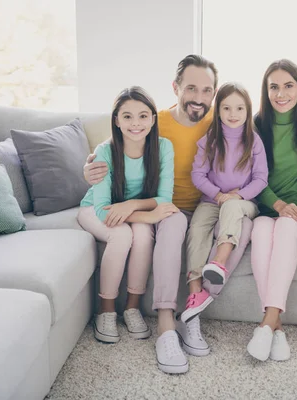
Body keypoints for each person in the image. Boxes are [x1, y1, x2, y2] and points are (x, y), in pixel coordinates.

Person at [83, 55, 253, 366]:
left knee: (241, 226)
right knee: (173, 225)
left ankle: (194, 311)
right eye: (191, 88)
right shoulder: (155, 120)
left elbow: (252, 145)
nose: (198, 98)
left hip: (208, 207)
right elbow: (116, 143)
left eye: (206, 90)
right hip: (167, 208)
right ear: (175, 87)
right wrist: (90, 164)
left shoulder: (222, 121)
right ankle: (165, 327)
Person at [77, 86, 188, 373]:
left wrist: (131, 207)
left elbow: (164, 197)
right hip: (95, 210)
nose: (135, 123)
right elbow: (103, 210)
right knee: (124, 233)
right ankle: (107, 311)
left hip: (125, 210)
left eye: (142, 116)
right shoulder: (105, 151)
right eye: (127, 116)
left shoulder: (163, 147)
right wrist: (147, 216)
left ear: (153, 118)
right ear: (116, 120)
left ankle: (132, 307)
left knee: (140, 234)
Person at [246, 59, 297, 362]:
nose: (281, 93)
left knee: (287, 226)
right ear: (265, 91)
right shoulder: (255, 124)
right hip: (268, 209)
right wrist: (276, 204)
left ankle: (266, 323)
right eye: (274, 87)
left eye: (288, 86)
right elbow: (250, 175)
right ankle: (276, 330)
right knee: (262, 230)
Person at [181, 82, 268, 323]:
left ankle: (219, 263)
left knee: (231, 207)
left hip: (244, 202)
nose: (233, 114)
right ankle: (195, 291)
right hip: (212, 200)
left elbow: (261, 179)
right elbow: (198, 175)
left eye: (240, 109)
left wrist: (237, 196)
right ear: (217, 110)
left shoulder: (254, 142)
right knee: (197, 227)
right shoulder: (209, 140)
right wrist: (218, 195)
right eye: (227, 108)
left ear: (248, 111)